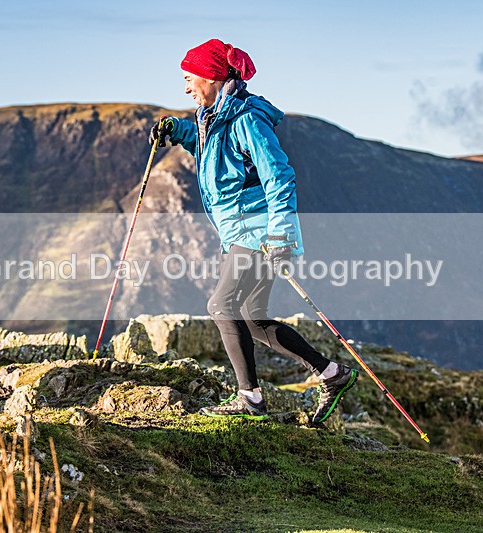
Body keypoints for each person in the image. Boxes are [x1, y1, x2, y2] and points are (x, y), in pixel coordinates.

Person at [149, 38, 357, 423]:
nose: (185, 87)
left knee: (221, 306)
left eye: (189, 77)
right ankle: (332, 373)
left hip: (259, 232)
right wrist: (175, 129)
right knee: (251, 316)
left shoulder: (247, 118)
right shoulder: (213, 118)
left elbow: (279, 176)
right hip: (241, 233)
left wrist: (280, 235)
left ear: (212, 76)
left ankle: (251, 399)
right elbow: (208, 144)